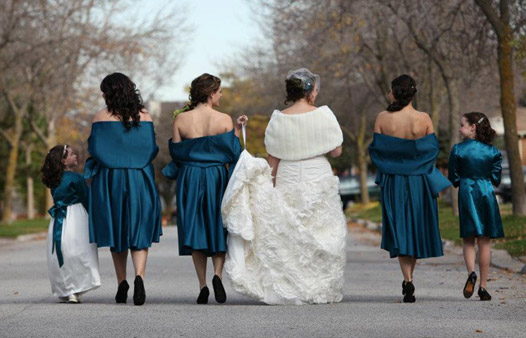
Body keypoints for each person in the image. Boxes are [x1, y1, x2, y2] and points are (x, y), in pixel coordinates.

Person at [222, 68, 347, 305]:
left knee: (291, 232)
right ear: (311, 92)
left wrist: (269, 187)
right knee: (321, 231)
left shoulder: (278, 119)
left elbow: (273, 159)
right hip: (317, 174)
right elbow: (337, 151)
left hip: (288, 174)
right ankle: (319, 286)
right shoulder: (324, 115)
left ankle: (294, 286)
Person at [163, 73, 246, 304]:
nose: (221, 95)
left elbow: (177, 154)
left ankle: (202, 285)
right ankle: (217, 275)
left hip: (190, 176)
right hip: (216, 176)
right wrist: (236, 132)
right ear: (211, 94)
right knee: (218, 225)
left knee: (195, 227)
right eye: (219, 91)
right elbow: (233, 153)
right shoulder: (224, 119)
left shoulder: (181, 120)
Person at [369, 74, 451, 303]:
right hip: (418, 181)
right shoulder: (423, 118)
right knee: (415, 227)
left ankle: (408, 279)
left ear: (395, 92)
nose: (387, 94)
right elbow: (432, 152)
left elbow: (377, 152)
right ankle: (409, 277)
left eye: (389, 90)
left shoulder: (382, 118)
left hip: (394, 180)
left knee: (400, 228)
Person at [85, 73, 162, 306]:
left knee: (117, 229)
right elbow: (151, 149)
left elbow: (95, 149)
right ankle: (139, 276)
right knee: (138, 228)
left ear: (109, 92)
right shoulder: (145, 116)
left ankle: (122, 282)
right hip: (139, 177)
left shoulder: (100, 117)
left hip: (111, 178)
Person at [448, 112, 503, 301]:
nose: (459, 128)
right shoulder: (494, 152)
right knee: (485, 241)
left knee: (468, 240)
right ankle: (484, 286)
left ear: (473, 127)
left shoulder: (457, 149)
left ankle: (471, 272)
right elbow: (496, 178)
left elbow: (453, 177)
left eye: (462, 125)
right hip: (486, 192)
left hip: (467, 192)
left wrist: (462, 180)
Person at [41, 145, 100, 303]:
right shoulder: (76, 178)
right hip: (76, 217)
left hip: (58, 219)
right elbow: (86, 198)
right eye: (72, 154)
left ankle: (65, 289)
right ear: (63, 161)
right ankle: (76, 289)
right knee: (79, 251)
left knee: (62, 253)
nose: (75, 156)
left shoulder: (54, 180)